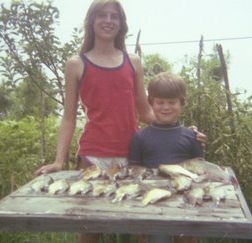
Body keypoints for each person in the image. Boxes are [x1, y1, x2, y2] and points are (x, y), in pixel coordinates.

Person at [34, 0, 205, 242]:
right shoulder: (76, 64)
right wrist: (58, 161)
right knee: (89, 228)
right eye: (102, 15)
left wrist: (185, 132)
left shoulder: (132, 61)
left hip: (132, 156)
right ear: (92, 22)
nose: (108, 20)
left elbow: (146, 112)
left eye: (114, 16)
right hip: (92, 157)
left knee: (138, 228)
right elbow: (69, 118)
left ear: (121, 24)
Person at [128, 72, 203, 243]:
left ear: (181, 103)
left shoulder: (192, 137)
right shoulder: (139, 137)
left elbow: (200, 172)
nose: (166, 107)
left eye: (172, 102)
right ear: (151, 103)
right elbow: (134, 171)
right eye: (160, 102)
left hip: (184, 201)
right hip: (150, 201)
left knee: (186, 239)